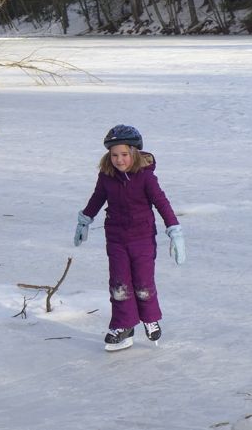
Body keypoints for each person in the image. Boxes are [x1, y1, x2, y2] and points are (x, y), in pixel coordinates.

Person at [74, 124, 186, 351]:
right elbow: (97, 198)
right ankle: (123, 326)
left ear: (134, 153)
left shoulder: (145, 177)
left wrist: (174, 230)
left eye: (124, 154)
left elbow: (161, 203)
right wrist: (85, 219)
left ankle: (150, 318)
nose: (119, 159)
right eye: (114, 155)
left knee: (143, 283)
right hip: (116, 238)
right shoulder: (106, 177)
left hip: (142, 237)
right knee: (119, 284)